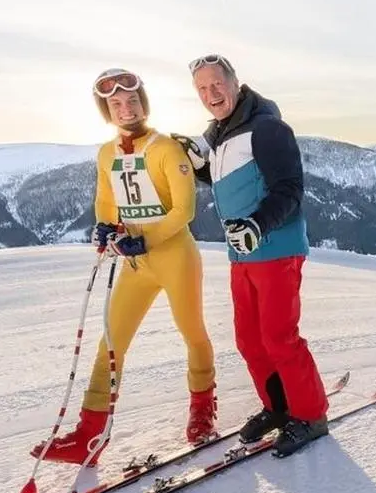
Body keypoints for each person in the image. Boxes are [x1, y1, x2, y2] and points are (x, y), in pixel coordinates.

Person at [30, 68, 218, 466]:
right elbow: (106, 200)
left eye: (131, 100)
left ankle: (203, 409)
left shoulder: (166, 148)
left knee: (192, 332)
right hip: (135, 261)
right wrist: (106, 226)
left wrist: (146, 239)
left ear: (143, 103)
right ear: (106, 110)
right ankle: (89, 435)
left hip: (174, 256)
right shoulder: (106, 153)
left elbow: (184, 211)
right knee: (110, 343)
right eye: (115, 103)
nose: (125, 108)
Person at [175, 54, 329, 457]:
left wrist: (258, 224)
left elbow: (290, 189)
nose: (211, 94)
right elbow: (234, 180)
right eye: (202, 89)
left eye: (216, 84)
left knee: (279, 336)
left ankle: (310, 415)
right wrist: (199, 168)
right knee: (250, 340)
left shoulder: (266, 128)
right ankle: (278, 407)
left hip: (276, 249)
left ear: (235, 83)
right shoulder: (222, 133)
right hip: (242, 254)